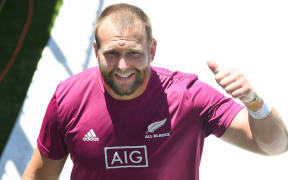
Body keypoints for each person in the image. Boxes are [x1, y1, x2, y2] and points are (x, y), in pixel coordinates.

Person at [22, 3, 288, 180]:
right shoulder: (69, 98)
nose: (123, 66)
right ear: (96, 51)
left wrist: (254, 102)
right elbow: (39, 176)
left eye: (134, 54)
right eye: (112, 54)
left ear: (152, 50)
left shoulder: (189, 97)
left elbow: (275, 146)